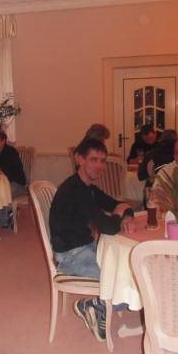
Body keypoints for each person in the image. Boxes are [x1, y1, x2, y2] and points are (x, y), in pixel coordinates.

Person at [49, 138, 135, 342]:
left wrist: (127, 213)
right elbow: (108, 227)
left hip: (85, 247)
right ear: (79, 159)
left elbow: (117, 203)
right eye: (93, 160)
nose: (99, 166)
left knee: (129, 271)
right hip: (70, 257)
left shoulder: (88, 188)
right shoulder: (76, 191)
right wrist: (119, 213)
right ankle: (90, 305)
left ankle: (99, 306)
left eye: (102, 161)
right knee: (124, 280)